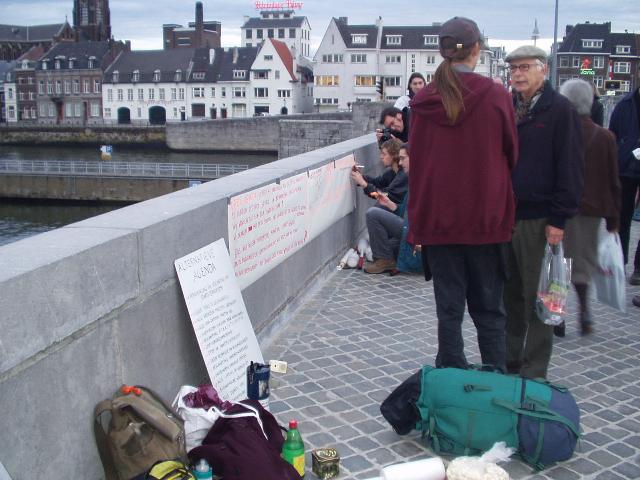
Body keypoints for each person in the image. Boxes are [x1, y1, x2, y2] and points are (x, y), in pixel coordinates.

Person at [408, 17, 518, 372]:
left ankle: (452, 382)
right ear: (476, 50)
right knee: (489, 310)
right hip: (486, 220)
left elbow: (419, 161)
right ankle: (496, 382)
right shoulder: (496, 95)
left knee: (449, 310)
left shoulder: (424, 101)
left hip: (440, 222)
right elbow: (512, 153)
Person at [503, 45, 584, 379]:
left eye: (524, 68)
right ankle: (508, 361)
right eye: (513, 69)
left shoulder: (559, 110)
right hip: (506, 217)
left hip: (540, 220)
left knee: (540, 297)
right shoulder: (508, 107)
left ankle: (533, 369)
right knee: (509, 296)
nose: (518, 75)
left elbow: (571, 168)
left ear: (543, 70)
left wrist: (558, 220)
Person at [557, 79, 620, 336]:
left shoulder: (559, 133)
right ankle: (584, 312)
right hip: (591, 210)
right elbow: (613, 179)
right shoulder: (605, 136)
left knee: (558, 262)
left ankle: (557, 316)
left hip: (561, 208)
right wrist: (614, 217)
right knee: (582, 264)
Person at [609, 74, 640, 285]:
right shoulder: (625, 104)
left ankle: (638, 267)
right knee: (623, 219)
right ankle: (620, 263)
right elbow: (613, 134)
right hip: (626, 170)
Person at [363, 143, 413, 274]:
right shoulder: (407, 176)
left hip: (414, 232)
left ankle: (384, 260)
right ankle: (386, 257)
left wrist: (364, 184)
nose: (400, 163)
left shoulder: (408, 177)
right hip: (408, 227)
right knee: (379, 248)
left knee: (372, 213)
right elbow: (403, 210)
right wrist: (390, 204)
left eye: (403, 158)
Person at [350, 138, 407, 205]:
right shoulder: (391, 172)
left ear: (394, 155)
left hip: (402, 213)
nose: (381, 157)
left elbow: (385, 196)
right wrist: (360, 176)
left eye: (384, 154)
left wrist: (364, 184)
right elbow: (376, 182)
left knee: (375, 210)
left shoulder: (403, 175)